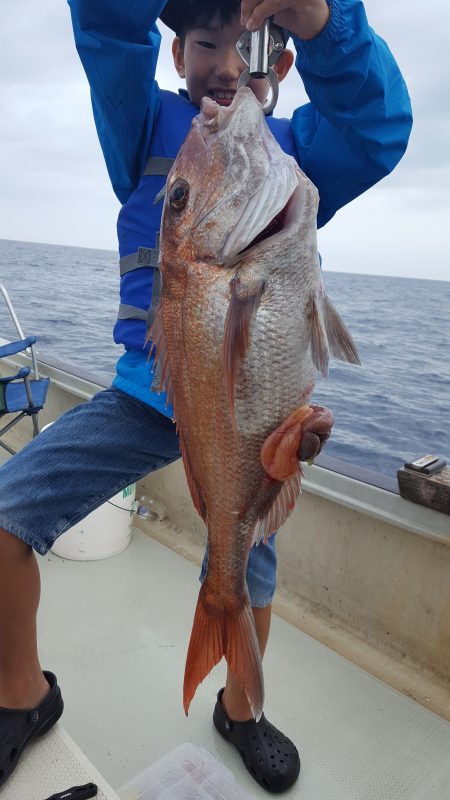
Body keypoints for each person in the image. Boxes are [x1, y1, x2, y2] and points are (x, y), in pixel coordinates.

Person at [0, 0, 412, 793]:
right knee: (5, 511)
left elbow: (378, 126)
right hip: (142, 399)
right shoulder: (144, 126)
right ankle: (21, 697)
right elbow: (106, 29)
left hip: (249, 417)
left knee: (248, 570)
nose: (226, 65)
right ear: (174, 54)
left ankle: (241, 708)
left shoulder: (303, 154)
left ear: (285, 66)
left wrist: (327, 20)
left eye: (252, 45)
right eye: (204, 42)